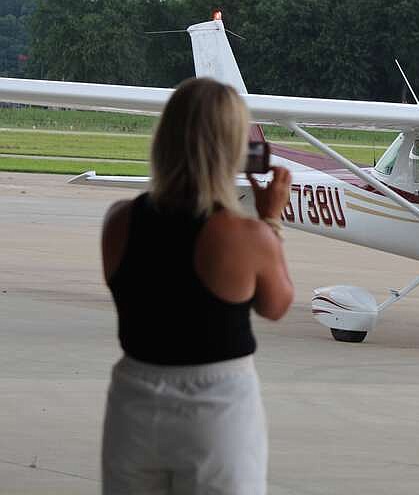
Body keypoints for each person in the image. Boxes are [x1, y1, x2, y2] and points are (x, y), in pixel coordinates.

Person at [99, 78, 294, 494]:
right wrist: (270, 222)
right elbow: (276, 305)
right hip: (218, 407)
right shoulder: (242, 236)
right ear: (232, 150)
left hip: (133, 400)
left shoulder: (118, 222)